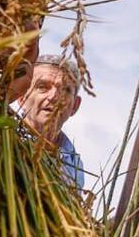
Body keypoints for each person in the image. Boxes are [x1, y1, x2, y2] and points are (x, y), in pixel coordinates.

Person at [17, 55, 90, 191]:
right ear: (21, 97)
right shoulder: (1, 135)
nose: (54, 97)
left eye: (65, 90)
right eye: (42, 87)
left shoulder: (75, 165)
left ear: (75, 106)